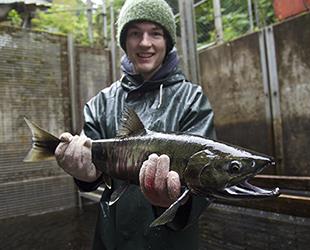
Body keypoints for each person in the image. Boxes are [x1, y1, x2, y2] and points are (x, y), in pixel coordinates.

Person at [55, 0, 216, 249]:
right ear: (124, 41)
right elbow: (91, 175)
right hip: (113, 238)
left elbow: (205, 181)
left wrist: (176, 202)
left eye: (156, 33)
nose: (144, 42)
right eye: (134, 33)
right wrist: (85, 174)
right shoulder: (100, 103)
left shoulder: (192, 100)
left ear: (168, 41)